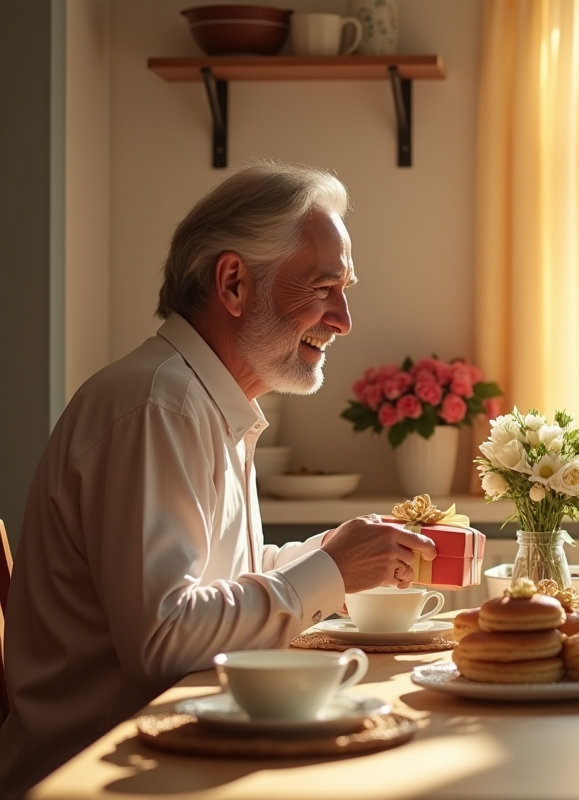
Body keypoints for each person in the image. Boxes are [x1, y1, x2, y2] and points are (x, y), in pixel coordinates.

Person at [0, 162, 437, 799]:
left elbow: (215, 578)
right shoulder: (160, 405)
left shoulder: (201, 399)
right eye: (323, 287)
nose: (343, 318)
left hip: (168, 754)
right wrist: (333, 573)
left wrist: (335, 555)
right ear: (233, 282)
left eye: (345, 290)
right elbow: (165, 639)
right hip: (99, 777)